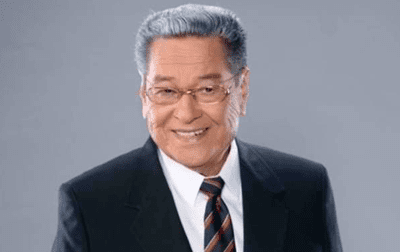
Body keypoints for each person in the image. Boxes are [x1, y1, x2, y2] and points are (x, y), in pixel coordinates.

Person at [52, 4, 342, 252]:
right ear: (143, 95)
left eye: (206, 89)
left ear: (243, 89)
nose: (187, 114)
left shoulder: (305, 188)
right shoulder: (91, 205)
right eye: (166, 91)